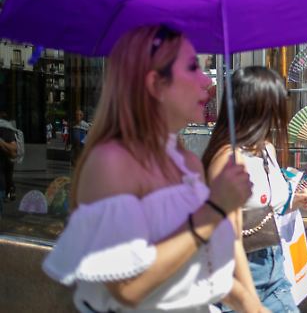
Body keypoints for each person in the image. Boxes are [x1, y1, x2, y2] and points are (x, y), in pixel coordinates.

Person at [42, 25, 263, 312]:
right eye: (193, 67)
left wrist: (252, 305)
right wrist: (216, 208)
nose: (206, 81)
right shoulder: (112, 162)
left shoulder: (188, 162)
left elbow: (197, 272)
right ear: (155, 84)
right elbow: (128, 288)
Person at [202, 66, 307, 313]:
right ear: (257, 107)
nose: (281, 111)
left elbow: (269, 204)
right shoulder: (227, 159)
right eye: (275, 103)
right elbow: (222, 235)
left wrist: (295, 201)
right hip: (241, 275)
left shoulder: (266, 149)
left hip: (275, 271)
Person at [0, 110, 18, 204]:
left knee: (9, 177)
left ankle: (10, 191)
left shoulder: (5, 129)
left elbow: (14, 151)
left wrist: (1, 143)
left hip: (1, 181)